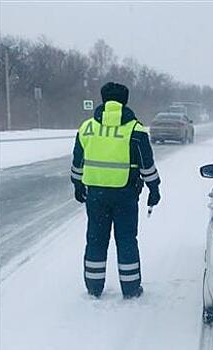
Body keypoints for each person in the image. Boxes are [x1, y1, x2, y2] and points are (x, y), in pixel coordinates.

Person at [70, 82, 161, 299]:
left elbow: (77, 161)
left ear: (103, 100)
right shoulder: (135, 130)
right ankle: (130, 289)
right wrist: (154, 188)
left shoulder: (88, 127)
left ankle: (93, 287)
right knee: (127, 240)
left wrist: (77, 183)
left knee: (96, 239)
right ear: (125, 101)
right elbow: (146, 164)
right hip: (125, 195)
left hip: (96, 195)